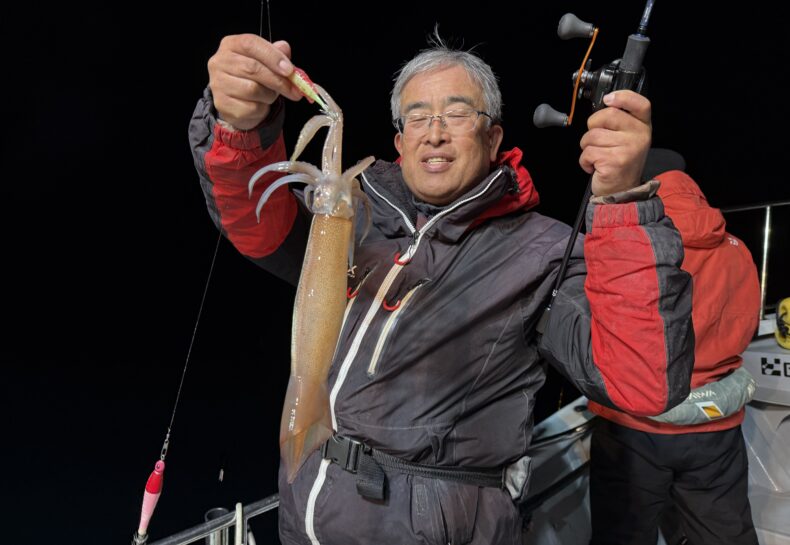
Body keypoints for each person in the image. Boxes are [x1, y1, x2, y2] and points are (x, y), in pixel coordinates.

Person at [188, 32, 694, 545]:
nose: (434, 133)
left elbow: (644, 378)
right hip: (308, 517)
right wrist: (239, 126)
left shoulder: (543, 253)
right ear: (399, 143)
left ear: (493, 139)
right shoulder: (355, 218)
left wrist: (623, 200)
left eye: (457, 114)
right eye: (417, 117)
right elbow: (256, 226)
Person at [588, 148, 761, 545]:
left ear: (640, 184)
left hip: (635, 431)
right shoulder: (735, 247)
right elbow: (746, 328)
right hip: (714, 427)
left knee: (623, 536)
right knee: (725, 534)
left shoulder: (629, 248)